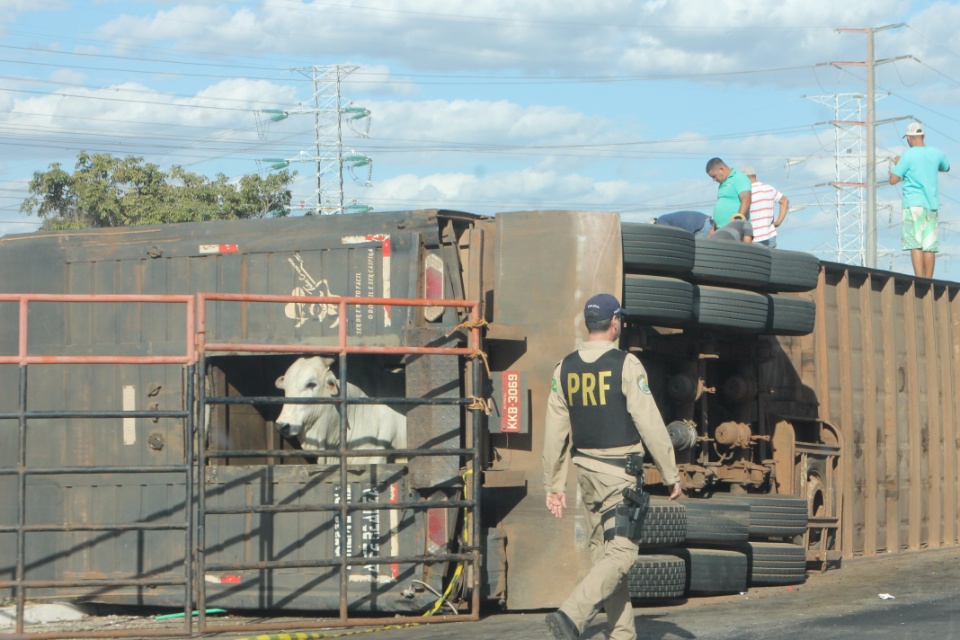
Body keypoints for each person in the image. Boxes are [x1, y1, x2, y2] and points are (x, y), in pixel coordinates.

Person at [543, 293, 682, 640]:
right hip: (620, 476)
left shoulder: (564, 368)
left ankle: (622, 635)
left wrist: (554, 486)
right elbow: (650, 423)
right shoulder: (626, 364)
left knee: (605, 557)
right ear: (615, 322)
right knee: (621, 554)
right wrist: (671, 474)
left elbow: (555, 432)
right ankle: (571, 615)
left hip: (586, 475)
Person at [890, 122, 950, 278]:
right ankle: (929, 280)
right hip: (932, 204)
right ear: (924, 136)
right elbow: (946, 167)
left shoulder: (907, 155)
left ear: (909, 138)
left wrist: (897, 164)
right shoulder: (937, 153)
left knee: (915, 243)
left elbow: (893, 179)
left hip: (913, 203)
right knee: (929, 245)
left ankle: (919, 279)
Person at [741, 166, 788, 248]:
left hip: (754, 237)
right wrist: (778, 222)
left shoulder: (746, 193)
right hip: (770, 235)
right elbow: (784, 201)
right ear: (754, 176)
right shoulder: (769, 188)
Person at [705, 158, 751, 234]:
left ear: (721, 169)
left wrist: (737, 224)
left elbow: (746, 200)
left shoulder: (739, 178)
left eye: (714, 176)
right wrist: (713, 228)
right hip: (720, 229)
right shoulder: (722, 184)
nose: (713, 179)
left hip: (734, 229)